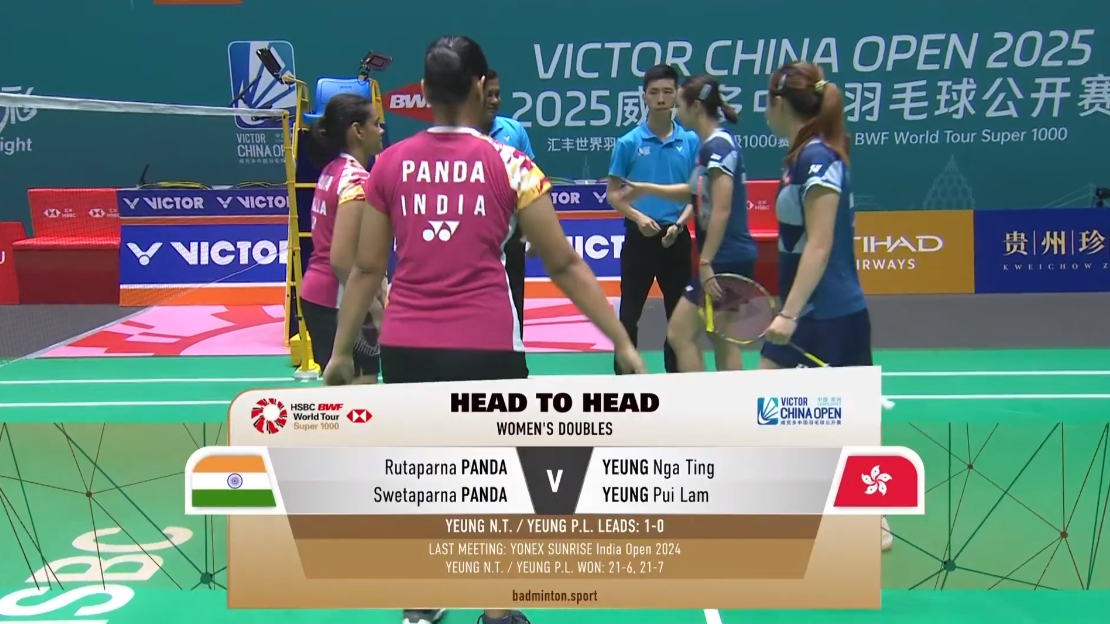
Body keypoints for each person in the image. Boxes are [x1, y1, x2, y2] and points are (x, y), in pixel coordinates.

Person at [322, 35, 647, 624]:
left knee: (421, 478)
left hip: (408, 347)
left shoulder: (388, 165)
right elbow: (564, 264)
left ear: (423, 93)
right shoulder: (512, 164)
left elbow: (367, 269)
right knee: (502, 478)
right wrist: (620, 339)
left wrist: (342, 352)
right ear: (479, 88)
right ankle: (498, 612)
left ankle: (420, 602)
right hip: (488, 346)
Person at [618, 76, 755, 372]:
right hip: (723, 255)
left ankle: (708, 399)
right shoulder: (710, 145)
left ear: (695, 107)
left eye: (678, 103)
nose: (674, 109)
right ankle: (721, 399)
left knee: (685, 333)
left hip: (725, 256)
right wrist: (647, 189)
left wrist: (705, 262)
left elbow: (721, 208)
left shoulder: (717, 146)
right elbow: (693, 192)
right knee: (718, 335)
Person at [759, 60, 872, 370]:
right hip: (807, 312)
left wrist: (789, 314)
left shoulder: (817, 158)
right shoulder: (801, 158)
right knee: (764, 396)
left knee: (766, 393)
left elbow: (820, 244)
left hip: (827, 316)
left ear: (779, 103)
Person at [606, 64, 700, 375]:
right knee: (629, 315)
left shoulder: (691, 141)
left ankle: (675, 382)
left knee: (677, 319)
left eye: (668, 92)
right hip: (639, 239)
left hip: (676, 239)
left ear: (677, 96)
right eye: (654, 92)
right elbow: (613, 194)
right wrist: (638, 218)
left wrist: (680, 224)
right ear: (644, 96)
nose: (661, 99)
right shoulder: (628, 142)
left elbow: (696, 193)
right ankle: (625, 381)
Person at [299, 92, 387, 383]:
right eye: (376, 124)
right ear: (357, 131)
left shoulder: (332, 170)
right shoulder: (357, 183)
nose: (381, 130)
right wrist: (372, 306)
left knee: (341, 400)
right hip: (341, 304)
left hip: (317, 296)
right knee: (359, 397)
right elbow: (341, 260)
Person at [483, 69, 535, 345]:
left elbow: (530, 181)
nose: (494, 100)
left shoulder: (514, 131)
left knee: (515, 298)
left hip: (511, 233)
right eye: (488, 95)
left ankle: (516, 356)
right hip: (472, 234)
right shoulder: (459, 135)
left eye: (497, 94)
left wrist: (530, 228)